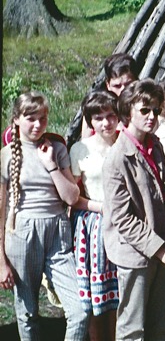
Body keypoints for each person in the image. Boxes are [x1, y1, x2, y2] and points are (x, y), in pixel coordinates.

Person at [0, 92, 89, 340]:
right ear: (16, 119)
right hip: (22, 234)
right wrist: (1, 261)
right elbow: (1, 209)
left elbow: (71, 197)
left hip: (58, 231)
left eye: (43, 118)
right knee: (27, 312)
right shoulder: (6, 155)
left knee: (80, 311)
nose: (38, 125)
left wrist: (50, 164)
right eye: (31, 118)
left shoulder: (56, 148)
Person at [102, 79, 165, 340]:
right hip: (137, 253)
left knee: (160, 322)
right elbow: (123, 218)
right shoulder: (117, 158)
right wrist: (161, 251)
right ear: (128, 112)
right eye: (144, 110)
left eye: (156, 110)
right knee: (133, 327)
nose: (152, 116)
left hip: (164, 244)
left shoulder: (155, 145)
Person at [69, 91, 120, 341]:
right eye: (98, 117)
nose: (106, 123)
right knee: (98, 298)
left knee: (122, 293)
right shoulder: (81, 149)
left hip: (126, 222)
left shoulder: (125, 143)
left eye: (111, 115)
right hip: (95, 225)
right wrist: (101, 208)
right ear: (90, 121)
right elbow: (73, 197)